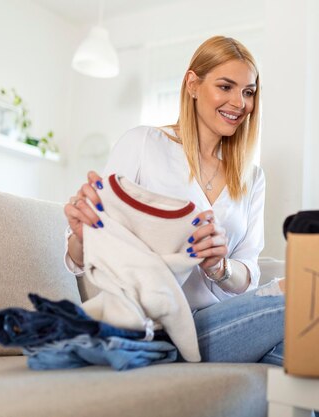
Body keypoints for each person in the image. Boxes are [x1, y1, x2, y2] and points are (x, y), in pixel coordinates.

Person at [62, 36, 285, 365]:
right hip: (160, 324)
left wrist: (220, 268)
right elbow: (82, 255)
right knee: (302, 299)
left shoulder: (251, 177)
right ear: (193, 84)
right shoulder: (144, 145)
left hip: (224, 320)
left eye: (248, 92)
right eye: (225, 86)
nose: (240, 103)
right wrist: (84, 233)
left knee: (301, 357)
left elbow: (248, 272)